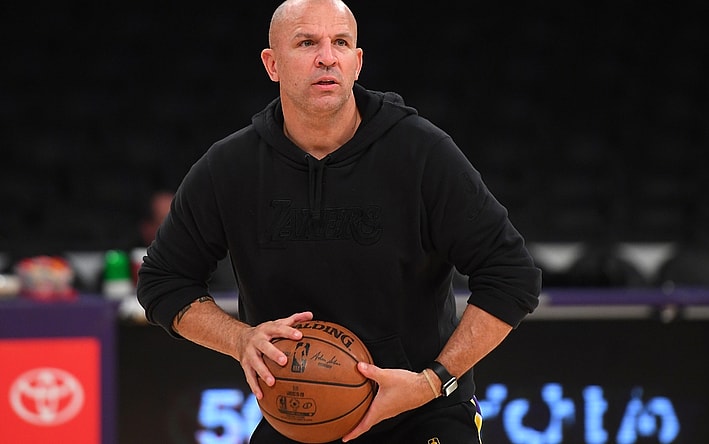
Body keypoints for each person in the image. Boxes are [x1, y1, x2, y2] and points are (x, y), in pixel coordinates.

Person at [137, 0, 541, 442]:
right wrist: (239, 339)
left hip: (420, 408)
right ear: (272, 64)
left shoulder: (421, 152)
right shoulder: (229, 168)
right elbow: (163, 280)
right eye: (307, 42)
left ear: (357, 62)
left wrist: (432, 380)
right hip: (298, 412)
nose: (326, 56)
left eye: (340, 43)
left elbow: (512, 276)